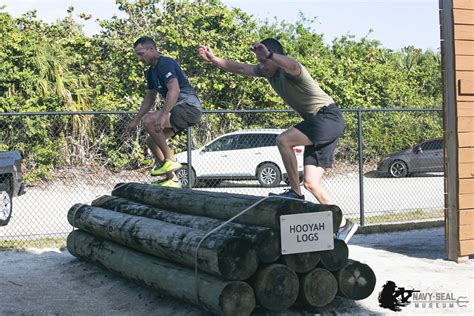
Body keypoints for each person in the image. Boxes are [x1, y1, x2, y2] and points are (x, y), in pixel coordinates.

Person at [198, 38, 358, 242]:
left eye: (265, 61)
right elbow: (239, 68)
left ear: (275, 57)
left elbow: (292, 64)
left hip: (326, 118)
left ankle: (295, 193)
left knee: (283, 140)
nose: (262, 66)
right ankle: (344, 224)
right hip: (318, 124)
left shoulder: (291, 71)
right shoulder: (267, 71)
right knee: (312, 183)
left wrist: (271, 56)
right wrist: (214, 59)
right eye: (260, 62)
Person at [126, 36, 202, 188]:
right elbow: (149, 98)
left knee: (149, 121)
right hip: (179, 110)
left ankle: (171, 161)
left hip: (189, 108)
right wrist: (135, 120)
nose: (139, 58)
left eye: (141, 53)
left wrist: (161, 116)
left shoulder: (165, 63)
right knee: (151, 142)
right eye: (137, 54)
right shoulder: (150, 73)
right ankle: (173, 179)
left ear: (152, 50)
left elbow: (174, 89)